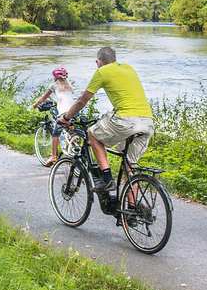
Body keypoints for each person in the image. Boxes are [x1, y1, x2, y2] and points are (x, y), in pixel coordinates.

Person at [59, 46, 153, 192]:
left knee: (92, 134)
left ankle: (107, 179)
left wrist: (66, 117)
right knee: (130, 167)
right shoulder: (129, 68)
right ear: (114, 59)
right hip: (147, 122)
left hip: (126, 120)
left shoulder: (102, 71)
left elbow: (82, 101)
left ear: (98, 62)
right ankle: (133, 210)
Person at [31, 67, 75, 167]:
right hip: (74, 112)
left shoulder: (54, 85)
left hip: (64, 114)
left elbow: (43, 98)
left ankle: (54, 156)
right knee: (71, 131)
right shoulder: (70, 85)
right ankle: (73, 148)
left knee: (56, 134)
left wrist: (34, 105)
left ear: (55, 77)